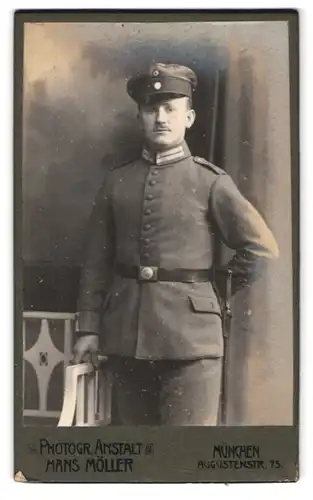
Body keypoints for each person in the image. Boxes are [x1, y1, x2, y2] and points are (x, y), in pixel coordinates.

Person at [73, 62, 279, 426]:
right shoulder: (117, 183)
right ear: (140, 117)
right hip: (126, 340)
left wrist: (211, 292)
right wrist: (88, 329)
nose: (161, 117)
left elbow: (262, 249)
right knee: (138, 460)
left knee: (185, 460)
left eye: (171, 108)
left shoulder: (211, 181)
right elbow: (96, 263)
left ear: (190, 117)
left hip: (191, 347)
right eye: (152, 109)